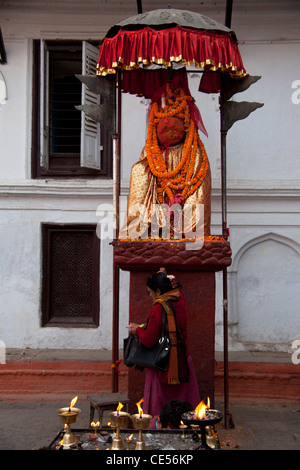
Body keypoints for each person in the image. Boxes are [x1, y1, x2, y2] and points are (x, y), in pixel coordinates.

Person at [127, 269, 200, 418]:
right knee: (184, 401)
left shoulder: (158, 308)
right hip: (182, 361)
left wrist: (137, 330)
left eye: (150, 292)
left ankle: (158, 429)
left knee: (160, 406)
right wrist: (164, 275)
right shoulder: (180, 300)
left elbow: (148, 340)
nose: (150, 296)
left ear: (158, 291)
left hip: (163, 364)